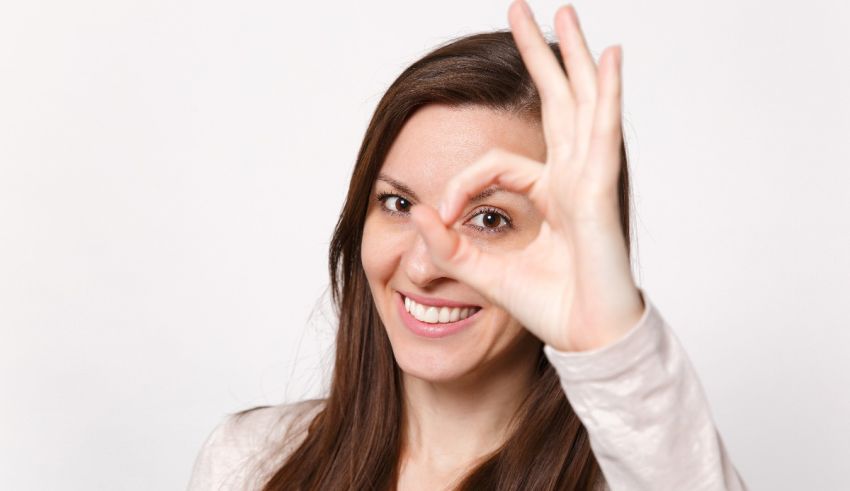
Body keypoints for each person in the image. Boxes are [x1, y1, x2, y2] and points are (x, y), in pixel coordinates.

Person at [188, 1, 748, 489]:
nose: (426, 264)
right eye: (399, 205)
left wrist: (608, 339)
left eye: (489, 219)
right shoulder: (250, 462)